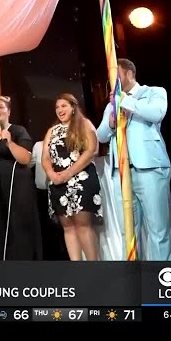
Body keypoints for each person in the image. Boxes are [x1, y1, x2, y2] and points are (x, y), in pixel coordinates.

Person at [96, 58, 171, 261]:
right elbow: (101, 136)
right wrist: (111, 122)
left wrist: (125, 101)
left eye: (116, 76)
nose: (113, 82)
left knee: (157, 229)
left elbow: (156, 113)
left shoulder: (153, 92)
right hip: (121, 172)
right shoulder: (113, 104)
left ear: (129, 73)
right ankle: (132, 274)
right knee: (128, 230)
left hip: (149, 167)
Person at [0, 96, 42, 260]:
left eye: (1, 107)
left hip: (15, 191)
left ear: (9, 111)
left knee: (15, 226)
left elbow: (26, 159)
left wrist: (10, 143)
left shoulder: (18, 131)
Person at [43, 93, 102, 261]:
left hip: (81, 180)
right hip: (58, 183)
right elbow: (45, 157)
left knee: (83, 225)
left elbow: (92, 150)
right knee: (68, 228)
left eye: (63, 106)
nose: (59, 110)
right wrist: (51, 174)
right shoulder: (52, 131)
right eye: (57, 107)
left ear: (73, 107)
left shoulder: (84, 124)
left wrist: (69, 173)